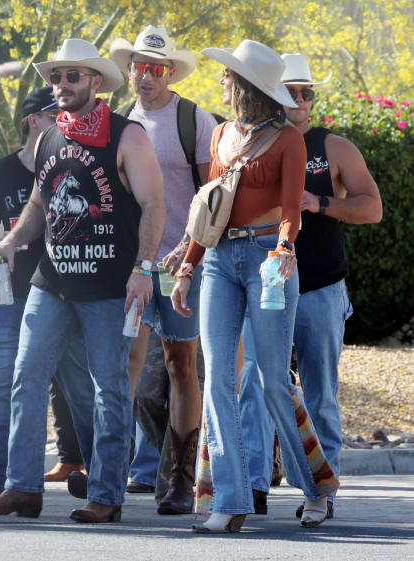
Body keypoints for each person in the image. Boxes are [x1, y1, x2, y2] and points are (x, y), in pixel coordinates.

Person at [0, 38, 165, 523]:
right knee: (26, 375)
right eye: (55, 77)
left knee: (110, 388)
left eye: (71, 76)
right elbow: (39, 205)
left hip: (108, 287)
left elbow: (154, 206)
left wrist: (144, 269)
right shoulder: (50, 136)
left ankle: (106, 495)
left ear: (95, 82)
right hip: (51, 281)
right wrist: (10, 242)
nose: (60, 85)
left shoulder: (128, 135)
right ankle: (22, 488)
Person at [171, 40, 340, 533]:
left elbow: (292, 210)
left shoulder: (288, 138)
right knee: (217, 377)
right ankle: (230, 497)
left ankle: (316, 487)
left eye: (228, 76)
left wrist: (285, 249)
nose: (221, 81)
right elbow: (211, 211)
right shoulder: (220, 134)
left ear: (244, 86)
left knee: (272, 380)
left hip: (269, 260)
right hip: (220, 261)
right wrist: (187, 267)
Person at [241, 53, 382, 518]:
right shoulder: (253, 141)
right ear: (274, 94)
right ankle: (255, 485)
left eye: (308, 92)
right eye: (292, 91)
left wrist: (317, 202)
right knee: (259, 384)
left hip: (320, 285)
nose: (301, 100)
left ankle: (321, 493)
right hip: (265, 284)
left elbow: (371, 209)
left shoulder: (334, 147)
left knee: (320, 391)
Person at [0, 87, 91, 508]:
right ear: (35, 120)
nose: (65, 120)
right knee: (4, 390)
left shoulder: (73, 165)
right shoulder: (2, 172)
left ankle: (104, 476)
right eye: (56, 114)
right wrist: (5, 240)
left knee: (83, 393)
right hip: (14, 298)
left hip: (65, 296)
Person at [109, 25, 217, 514]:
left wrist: (193, 255)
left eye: (156, 68)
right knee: (124, 367)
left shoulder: (195, 121)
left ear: (170, 72)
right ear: (129, 69)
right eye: (139, 66)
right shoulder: (117, 122)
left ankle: (179, 477)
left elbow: (218, 197)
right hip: (133, 266)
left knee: (181, 367)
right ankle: (110, 474)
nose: (145, 76)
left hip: (181, 264)